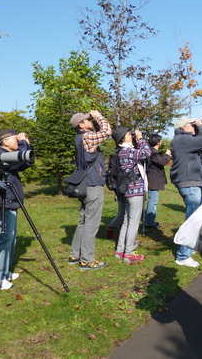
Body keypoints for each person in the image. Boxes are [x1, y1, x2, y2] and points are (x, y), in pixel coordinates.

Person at [0, 129, 33, 290]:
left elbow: (26, 162)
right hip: (4, 201)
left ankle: (4, 272)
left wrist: (25, 143)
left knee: (10, 239)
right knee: (3, 238)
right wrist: (24, 143)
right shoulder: (2, 156)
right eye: (15, 139)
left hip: (11, 201)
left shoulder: (9, 156)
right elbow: (21, 158)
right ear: (5, 141)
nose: (18, 141)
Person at [68, 110, 112, 270]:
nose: (91, 120)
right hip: (92, 185)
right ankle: (86, 260)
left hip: (83, 184)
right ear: (81, 124)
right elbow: (107, 131)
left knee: (83, 221)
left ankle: (75, 255)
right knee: (91, 224)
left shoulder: (78, 138)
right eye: (88, 119)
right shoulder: (87, 136)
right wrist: (99, 115)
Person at [170, 117, 202, 267]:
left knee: (194, 217)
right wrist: (201, 125)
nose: (194, 126)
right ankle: (182, 256)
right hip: (189, 182)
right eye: (191, 124)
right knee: (192, 220)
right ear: (184, 128)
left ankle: (188, 248)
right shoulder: (183, 140)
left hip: (190, 181)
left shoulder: (182, 140)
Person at [112, 127, 151, 263]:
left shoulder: (121, 151)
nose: (131, 135)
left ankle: (120, 250)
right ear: (122, 137)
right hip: (134, 190)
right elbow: (146, 153)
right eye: (129, 134)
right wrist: (140, 138)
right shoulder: (128, 151)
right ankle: (128, 253)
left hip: (127, 191)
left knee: (127, 221)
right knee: (133, 222)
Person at [144, 133, 171, 228]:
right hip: (153, 179)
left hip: (153, 178)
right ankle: (149, 221)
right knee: (153, 200)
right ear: (158, 142)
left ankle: (149, 220)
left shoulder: (151, 151)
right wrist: (167, 155)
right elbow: (162, 162)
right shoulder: (153, 152)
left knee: (152, 199)